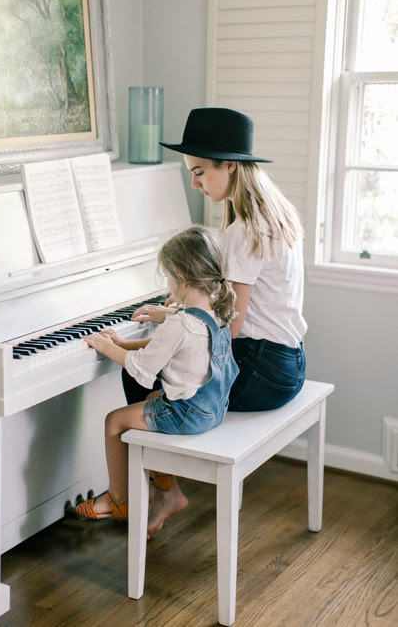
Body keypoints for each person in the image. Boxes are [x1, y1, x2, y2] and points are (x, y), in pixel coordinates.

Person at [126, 107, 307, 533]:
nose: (195, 183)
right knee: (157, 360)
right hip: (290, 363)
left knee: (141, 375)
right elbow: (228, 307)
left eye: (200, 172)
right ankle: (162, 486)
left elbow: (230, 328)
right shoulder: (274, 214)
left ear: (230, 166)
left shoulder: (244, 230)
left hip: (263, 371)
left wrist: (171, 329)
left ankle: (165, 491)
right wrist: (174, 313)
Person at [71, 225, 239, 524]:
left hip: (189, 414)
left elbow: (142, 367)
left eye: (168, 275)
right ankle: (163, 488)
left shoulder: (180, 323)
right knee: (150, 398)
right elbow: (166, 348)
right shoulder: (215, 310)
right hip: (212, 408)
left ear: (182, 279)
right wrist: (123, 343)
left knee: (115, 420)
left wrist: (107, 348)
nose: (167, 282)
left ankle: (118, 499)